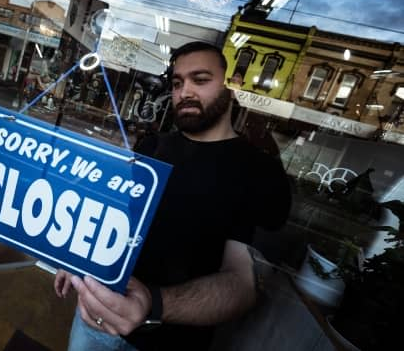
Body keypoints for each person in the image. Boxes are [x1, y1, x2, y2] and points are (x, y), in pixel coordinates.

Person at [54, 41, 291, 350]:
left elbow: (243, 286)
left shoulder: (259, 172)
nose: (185, 92)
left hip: (172, 341)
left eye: (201, 80)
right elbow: (119, 217)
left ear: (232, 84)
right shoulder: (152, 147)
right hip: (95, 320)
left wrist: (152, 304)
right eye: (178, 83)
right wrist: (79, 254)